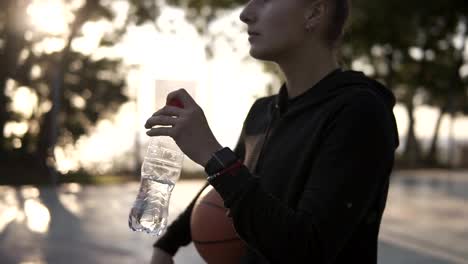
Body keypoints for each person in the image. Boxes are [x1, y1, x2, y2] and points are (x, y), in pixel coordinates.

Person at [145, 0, 400, 263]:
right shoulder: (263, 111)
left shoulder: (359, 113)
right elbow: (226, 184)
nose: (245, 14)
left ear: (313, 13)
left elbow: (308, 248)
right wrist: (168, 243)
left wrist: (212, 154)